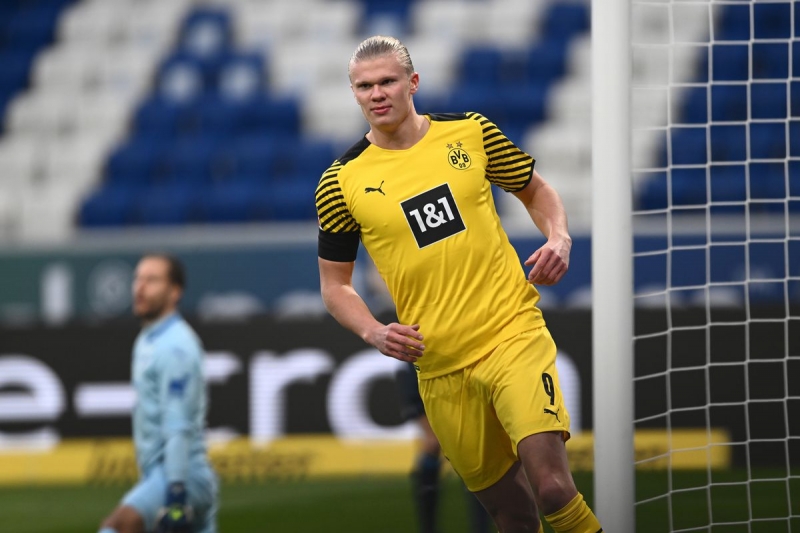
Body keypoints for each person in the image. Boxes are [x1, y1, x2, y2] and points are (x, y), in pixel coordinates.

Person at [315, 35, 603, 533]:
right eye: (364, 86)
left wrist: (558, 236)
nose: (377, 93)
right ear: (354, 93)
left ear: (413, 82)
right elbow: (335, 285)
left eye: (387, 81)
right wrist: (373, 331)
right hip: (439, 366)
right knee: (513, 516)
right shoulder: (340, 182)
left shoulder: (470, 132)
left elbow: (535, 190)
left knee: (554, 488)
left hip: (510, 334)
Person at [98, 253, 218, 533]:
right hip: (161, 474)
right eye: (137, 279)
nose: (140, 287)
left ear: (174, 292)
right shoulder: (149, 338)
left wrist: (176, 493)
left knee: (118, 526)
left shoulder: (176, 347)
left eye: (152, 280)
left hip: (182, 474)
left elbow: (178, 425)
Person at [397, 361, 492, 533]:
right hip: (423, 374)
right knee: (433, 442)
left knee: (470, 452)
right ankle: (428, 528)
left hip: (458, 377)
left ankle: (481, 527)